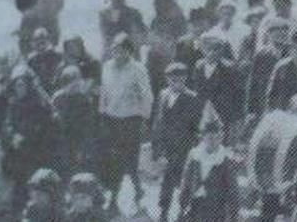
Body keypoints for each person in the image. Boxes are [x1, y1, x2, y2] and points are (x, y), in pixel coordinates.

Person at [98, 34, 153, 209]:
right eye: (115, 50)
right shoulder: (107, 67)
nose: (117, 54)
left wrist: (145, 118)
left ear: (129, 51)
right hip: (111, 119)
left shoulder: (138, 69)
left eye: (122, 50)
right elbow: (104, 92)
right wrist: (102, 113)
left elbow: (147, 96)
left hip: (131, 120)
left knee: (129, 159)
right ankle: (119, 194)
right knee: (114, 159)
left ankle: (124, 192)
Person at [151, 62, 203, 221]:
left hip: (184, 148)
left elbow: (196, 127)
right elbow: (157, 123)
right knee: (166, 181)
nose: (176, 84)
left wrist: (194, 149)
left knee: (184, 183)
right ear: (167, 80)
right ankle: (163, 212)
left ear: (185, 80)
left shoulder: (192, 98)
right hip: (166, 148)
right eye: (172, 80)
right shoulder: (162, 95)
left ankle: (183, 212)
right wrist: (157, 149)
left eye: (180, 80)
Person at [3, 68, 59, 213]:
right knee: (19, 182)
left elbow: (44, 125)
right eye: (17, 85)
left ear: (28, 85)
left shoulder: (39, 102)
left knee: (35, 182)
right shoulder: (13, 103)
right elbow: (8, 123)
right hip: (19, 151)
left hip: (37, 150)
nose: (19, 88)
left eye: (22, 85)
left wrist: (25, 135)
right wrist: (12, 136)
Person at [177, 120, 241, 222]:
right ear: (203, 138)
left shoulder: (225, 160)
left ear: (221, 139)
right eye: (210, 138)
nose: (214, 142)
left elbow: (233, 191)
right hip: (195, 207)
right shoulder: (195, 157)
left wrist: (233, 216)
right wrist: (182, 207)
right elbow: (187, 182)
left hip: (215, 210)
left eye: (217, 138)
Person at [51, 66, 98, 178]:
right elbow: (52, 122)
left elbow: (88, 125)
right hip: (62, 142)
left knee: (80, 171)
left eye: (76, 82)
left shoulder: (84, 99)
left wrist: (83, 148)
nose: (73, 86)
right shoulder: (58, 98)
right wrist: (55, 117)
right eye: (70, 82)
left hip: (79, 141)